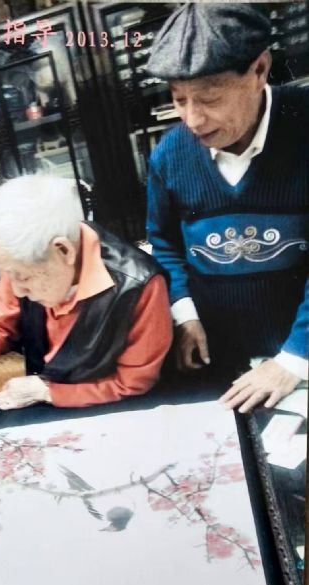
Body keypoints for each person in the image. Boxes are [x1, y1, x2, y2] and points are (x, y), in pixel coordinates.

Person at [145, 3, 308, 413]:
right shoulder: (170, 155)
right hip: (221, 359)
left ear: (259, 70)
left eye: (209, 98)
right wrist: (185, 314)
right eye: (179, 99)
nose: (193, 119)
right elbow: (164, 244)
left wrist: (294, 358)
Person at [0, 174, 172, 409]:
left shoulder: (140, 285)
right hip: (43, 404)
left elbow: (131, 383)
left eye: (23, 277)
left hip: (114, 411)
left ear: (63, 251)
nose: (17, 290)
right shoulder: (21, 258)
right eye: (8, 274)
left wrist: (48, 392)